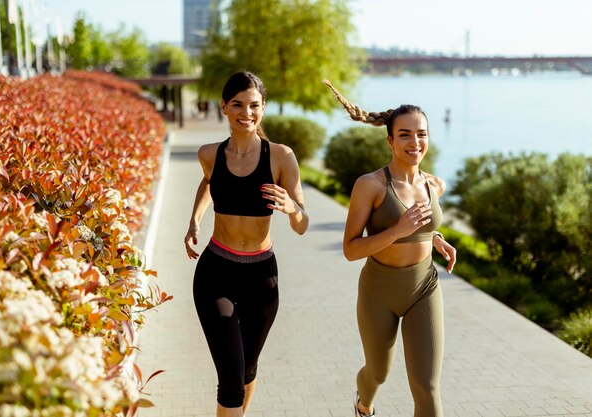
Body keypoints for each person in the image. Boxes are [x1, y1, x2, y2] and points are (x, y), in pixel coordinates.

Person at [323, 80, 457, 417]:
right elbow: (351, 249)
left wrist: (434, 239)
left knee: (427, 388)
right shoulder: (370, 185)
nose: (415, 142)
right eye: (406, 135)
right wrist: (399, 230)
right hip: (378, 292)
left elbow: (421, 226)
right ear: (390, 139)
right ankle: (363, 403)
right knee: (377, 373)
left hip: (424, 287)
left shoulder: (433, 183)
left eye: (422, 134)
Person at [184, 70, 309, 417]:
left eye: (254, 105)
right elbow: (208, 182)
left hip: (261, 277)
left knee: (247, 369)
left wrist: (292, 209)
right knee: (231, 380)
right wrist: (194, 219)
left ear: (263, 107)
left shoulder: (281, 157)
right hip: (215, 273)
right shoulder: (209, 153)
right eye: (237, 104)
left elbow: (303, 225)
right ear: (223, 106)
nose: (246, 112)